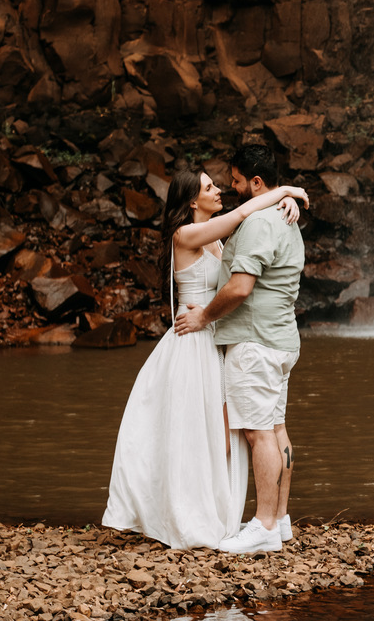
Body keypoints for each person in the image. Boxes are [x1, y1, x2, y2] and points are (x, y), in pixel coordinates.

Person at [102, 168, 309, 550]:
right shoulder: (186, 235)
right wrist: (289, 189)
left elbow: (251, 219)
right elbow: (244, 214)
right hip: (192, 340)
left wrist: (284, 202)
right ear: (192, 201)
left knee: (223, 434)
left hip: (216, 338)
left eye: (216, 183)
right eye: (209, 187)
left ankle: (217, 511)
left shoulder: (216, 239)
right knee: (195, 431)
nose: (219, 190)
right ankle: (182, 512)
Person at [174, 144, 305, 554]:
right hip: (282, 339)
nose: (229, 188)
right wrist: (287, 193)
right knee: (276, 428)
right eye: (218, 184)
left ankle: (264, 525)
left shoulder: (258, 222)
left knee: (258, 432)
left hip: (254, 341)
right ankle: (279, 519)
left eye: (233, 180)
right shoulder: (284, 218)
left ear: (256, 182)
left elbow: (240, 286)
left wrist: (204, 317)